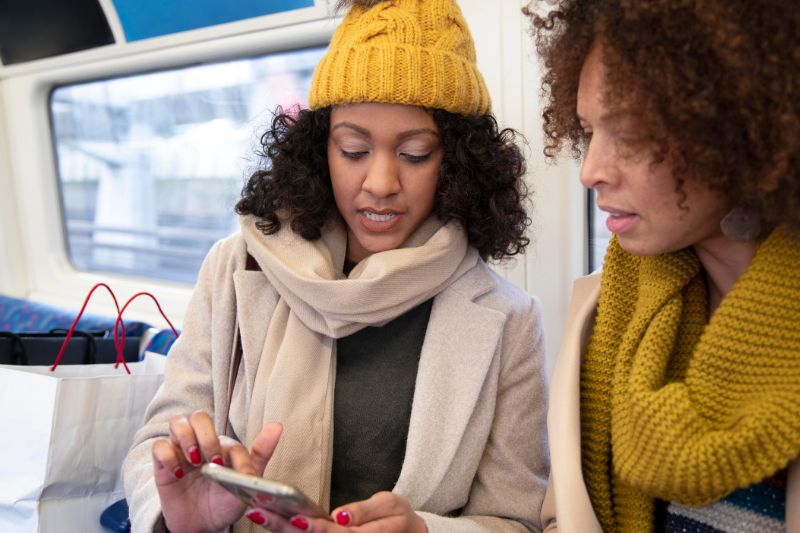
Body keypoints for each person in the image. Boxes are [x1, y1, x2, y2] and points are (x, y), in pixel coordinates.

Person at [123, 1, 550, 532]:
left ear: (459, 163)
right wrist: (176, 519)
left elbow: (516, 521)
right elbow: (157, 443)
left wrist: (424, 530)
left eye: (415, 153)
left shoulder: (510, 320)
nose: (380, 183)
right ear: (318, 148)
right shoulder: (235, 270)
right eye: (353, 149)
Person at [524, 0, 800, 531]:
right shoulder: (605, 317)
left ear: (737, 130)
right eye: (587, 131)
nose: (589, 171)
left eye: (628, 135)